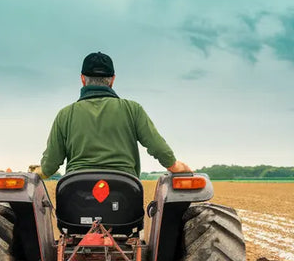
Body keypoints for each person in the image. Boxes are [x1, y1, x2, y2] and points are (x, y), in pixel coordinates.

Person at [34, 52, 190, 179]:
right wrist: (175, 165)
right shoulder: (132, 109)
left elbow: (50, 166)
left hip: (76, 195)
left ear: (82, 78)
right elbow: (159, 148)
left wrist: (37, 172)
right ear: (112, 80)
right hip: (126, 193)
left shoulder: (65, 115)